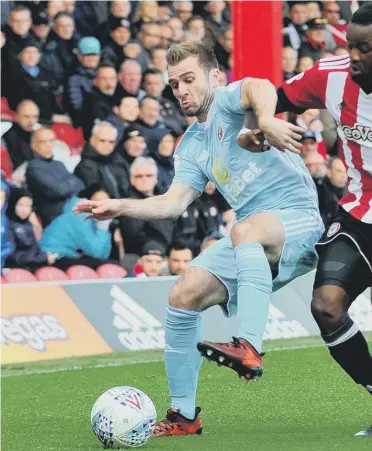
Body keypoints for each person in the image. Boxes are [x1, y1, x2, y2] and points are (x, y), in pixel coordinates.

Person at [74, 41, 323, 436]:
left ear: (214, 77)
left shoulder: (228, 101)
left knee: (243, 228)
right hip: (253, 239)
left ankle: (249, 345)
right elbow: (173, 203)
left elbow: (259, 84)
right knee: (183, 293)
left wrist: (267, 119)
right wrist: (119, 206)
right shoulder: (190, 144)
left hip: (301, 221)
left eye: (189, 79)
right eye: (175, 84)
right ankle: (184, 416)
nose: (182, 90)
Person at [238, 3, 372, 437]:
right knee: (326, 307)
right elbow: (265, 93)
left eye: (365, 49)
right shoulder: (331, 76)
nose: (354, 56)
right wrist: (262, 124)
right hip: (358, 212)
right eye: (350, 45)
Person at [40, 188, 114, 270]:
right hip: (52, 257)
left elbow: (104, 255)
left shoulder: (93, 220)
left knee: (109, 264)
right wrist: (102, 228)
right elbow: (96, 253)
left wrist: (103, 226)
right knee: (108, 265)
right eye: (98, 201)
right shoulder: (80, 217)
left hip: (66, 255)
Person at [26, 127, 84, 226]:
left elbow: (81, 185)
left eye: (51, 141)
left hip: (72, 213)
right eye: (43, 142)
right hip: (54, 220)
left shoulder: (59, 164)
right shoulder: (33, 168)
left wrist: (66, 184)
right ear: (33, 145)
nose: (48, 145)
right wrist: (70, 181)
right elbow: (57, 190)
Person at [118, 156, 175, 256]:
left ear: (156, 178)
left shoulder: (166, 198)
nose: (144, 179)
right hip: (146, 256)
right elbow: (134, 236)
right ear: (131, 179)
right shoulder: (128, 202)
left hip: (171, 253)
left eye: (149, 175)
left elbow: (178, 226)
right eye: (139, 176)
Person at [74, 122, 130, 198]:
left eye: (111, 142)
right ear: (92, 140)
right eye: (102, 141)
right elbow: (95, 195)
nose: (106, 145)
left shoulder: (119, 161)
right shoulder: (85, 166)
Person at [5, 187, 55, 271]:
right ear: (12, 204)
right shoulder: (7, 225)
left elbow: (34, 248)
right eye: (21, 205)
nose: (24, 209)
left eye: (28, 206)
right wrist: (42, 258)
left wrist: (44, 256)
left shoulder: (28, 224)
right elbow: (11, 256)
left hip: (31, 266)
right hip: (14, 270)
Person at [64, 36, 101, 127]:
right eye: (87, 55)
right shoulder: (74, 78)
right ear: (79, 56)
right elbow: (77, 106)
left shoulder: (105, 72)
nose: (91, 58)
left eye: (94, 55)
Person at [81, 65, 118, 140]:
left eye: (112, 79)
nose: (109, 83)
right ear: (95, 81)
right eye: (104, 79)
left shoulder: (114, 97)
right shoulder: (93, 102)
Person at [1, 100, 39, 171]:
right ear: (17, 116)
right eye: (26, 116)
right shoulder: (9, 138)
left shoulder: (37, 134)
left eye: (35, 117)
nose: (31, 121)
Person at [317, 156, 347, 226]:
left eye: (345, 171)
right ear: (329, 172)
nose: (343, 175)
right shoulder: (318, 191)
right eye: (339, 171)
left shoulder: (352, 192)